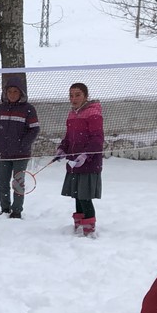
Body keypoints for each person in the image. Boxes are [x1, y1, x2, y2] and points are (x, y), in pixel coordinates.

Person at [54, 82, 102, 236]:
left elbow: (97, 138)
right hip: (73, 162)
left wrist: (86, 155)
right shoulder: (72, 114)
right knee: (76, 194)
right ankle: (79, 227)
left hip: (88, 162)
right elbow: (69, 137)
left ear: (86, 96)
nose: (73, 98)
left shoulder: (93, 113)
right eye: (71, 95)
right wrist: (62, 149)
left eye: (78, 95)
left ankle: (89, 230)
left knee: (84, 196)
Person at [0, 76, 40, 219]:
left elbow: (34, 129)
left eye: (15, 91)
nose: (12, 94)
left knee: (18, 182)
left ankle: (17, 210)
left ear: (21, 93)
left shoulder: (28, 109)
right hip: (5, 153)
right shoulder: (2, 108)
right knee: (2, 181)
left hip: (21, 153)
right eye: (9, 91)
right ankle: (5, 208)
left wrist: (23, 144)